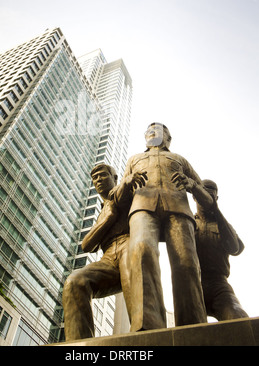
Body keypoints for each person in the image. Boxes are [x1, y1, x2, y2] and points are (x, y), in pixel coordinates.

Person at [120, 122, 207, 331]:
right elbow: (119, 197)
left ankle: (193, 326)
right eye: (148, 130)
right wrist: (127, 181)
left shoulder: (179, 159)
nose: (152, 131)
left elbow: (207, 196)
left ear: (168, 138)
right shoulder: (134, 159)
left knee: (186, 261)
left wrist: (192, 185)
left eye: (158, 129)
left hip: (178, 208)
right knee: (141, 251)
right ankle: (146, 323)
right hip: (142, 206)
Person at [62, 163, 145, 340]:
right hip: (108, 258)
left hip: (129, 244)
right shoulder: (103, 211)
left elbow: (124, 193)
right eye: (95, 178)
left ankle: (143, 335)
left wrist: (127, 182)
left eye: (102, 175)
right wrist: (108, 218)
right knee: (75, 282)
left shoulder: (127, 193)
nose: (98, 180)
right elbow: (86, 245)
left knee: (132, 274)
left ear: (115, 178)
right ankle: (79, 345)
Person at [172, 174, 248, 321]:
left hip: (219, 285)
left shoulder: (223, 225)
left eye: (211, 196)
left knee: (239, 318)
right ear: (195, 197)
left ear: (216, 199)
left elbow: (234, 248)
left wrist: (216, 211)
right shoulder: (187, 222)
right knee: (188, 331)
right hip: (193, 284)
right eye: (203, 193)